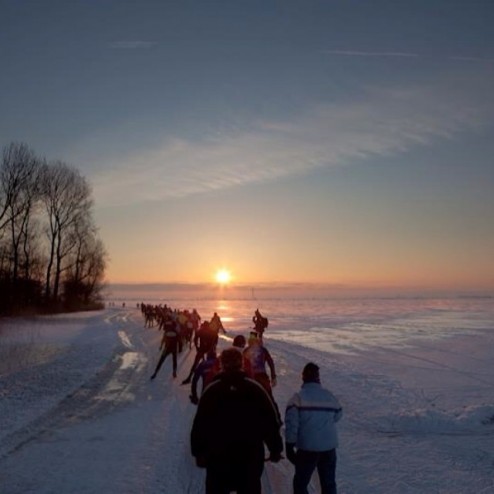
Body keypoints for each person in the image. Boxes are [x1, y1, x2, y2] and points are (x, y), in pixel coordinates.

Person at [191, 348, 283, 494]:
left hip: (218, 460)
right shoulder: (256, 389)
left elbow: (200, 424)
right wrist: (275, 449)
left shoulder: (211, 391)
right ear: (241, 363)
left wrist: (198, 452)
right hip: (250, 460)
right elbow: (270, 422)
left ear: (221, 364)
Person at [285, 362, 343, 494]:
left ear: (303, 377)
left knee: (300, 484)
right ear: (318, 378)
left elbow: (292, 425)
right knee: (328, 484)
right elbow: (338, 415)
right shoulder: (329, 396)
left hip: (307, 449)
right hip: (329, 448)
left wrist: (289, 447)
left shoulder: (297, 399)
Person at [181, 320, 217, 384]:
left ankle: (189, 378)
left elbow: (195, 340)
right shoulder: (212, 332)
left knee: (195, 364)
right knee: (212, 365)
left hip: (202, 349)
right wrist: (212, 348)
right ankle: (212, 379)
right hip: (209, 350)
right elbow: (215, 340)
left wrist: (197, 347)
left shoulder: (200, 331)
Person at [150, 313, 180, 379]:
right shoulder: (176, 331)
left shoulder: (166, 332)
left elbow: (163, 339)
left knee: (161, 360)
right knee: (174, 360)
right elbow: (179, 339)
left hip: (167, 347)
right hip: (174, 348)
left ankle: (156, 372)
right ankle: (174, 372)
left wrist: (161, 345)